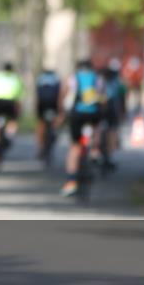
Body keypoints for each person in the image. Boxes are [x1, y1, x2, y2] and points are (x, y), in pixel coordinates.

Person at [61, 58, 105, 197]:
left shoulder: (73, 78)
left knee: (75, 146)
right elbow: (103, 97)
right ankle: (95, 150)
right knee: (97, 129)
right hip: (93, 114)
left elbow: (63, 96)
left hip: (77, 115)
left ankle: (71, 181)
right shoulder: (97, 78)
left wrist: (62, 114)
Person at [99, 58, 126, 169]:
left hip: (100, 108)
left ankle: (95, 152)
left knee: (98, 129)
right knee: (112, 130)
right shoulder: (119, 82)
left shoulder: (100, 80)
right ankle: (110, 155)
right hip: (112, 108)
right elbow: (122, 99)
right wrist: (123, 113)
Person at [35, 68, 66, 162]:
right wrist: (61, 110)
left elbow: (37, 95)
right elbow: (61, 94)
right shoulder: (57, 79)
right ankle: (54, 133)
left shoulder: (40, 79)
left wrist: (36, 108)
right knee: (54, 123)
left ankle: (40, 147)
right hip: (53, 104)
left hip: (42, 104)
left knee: (41, 124)